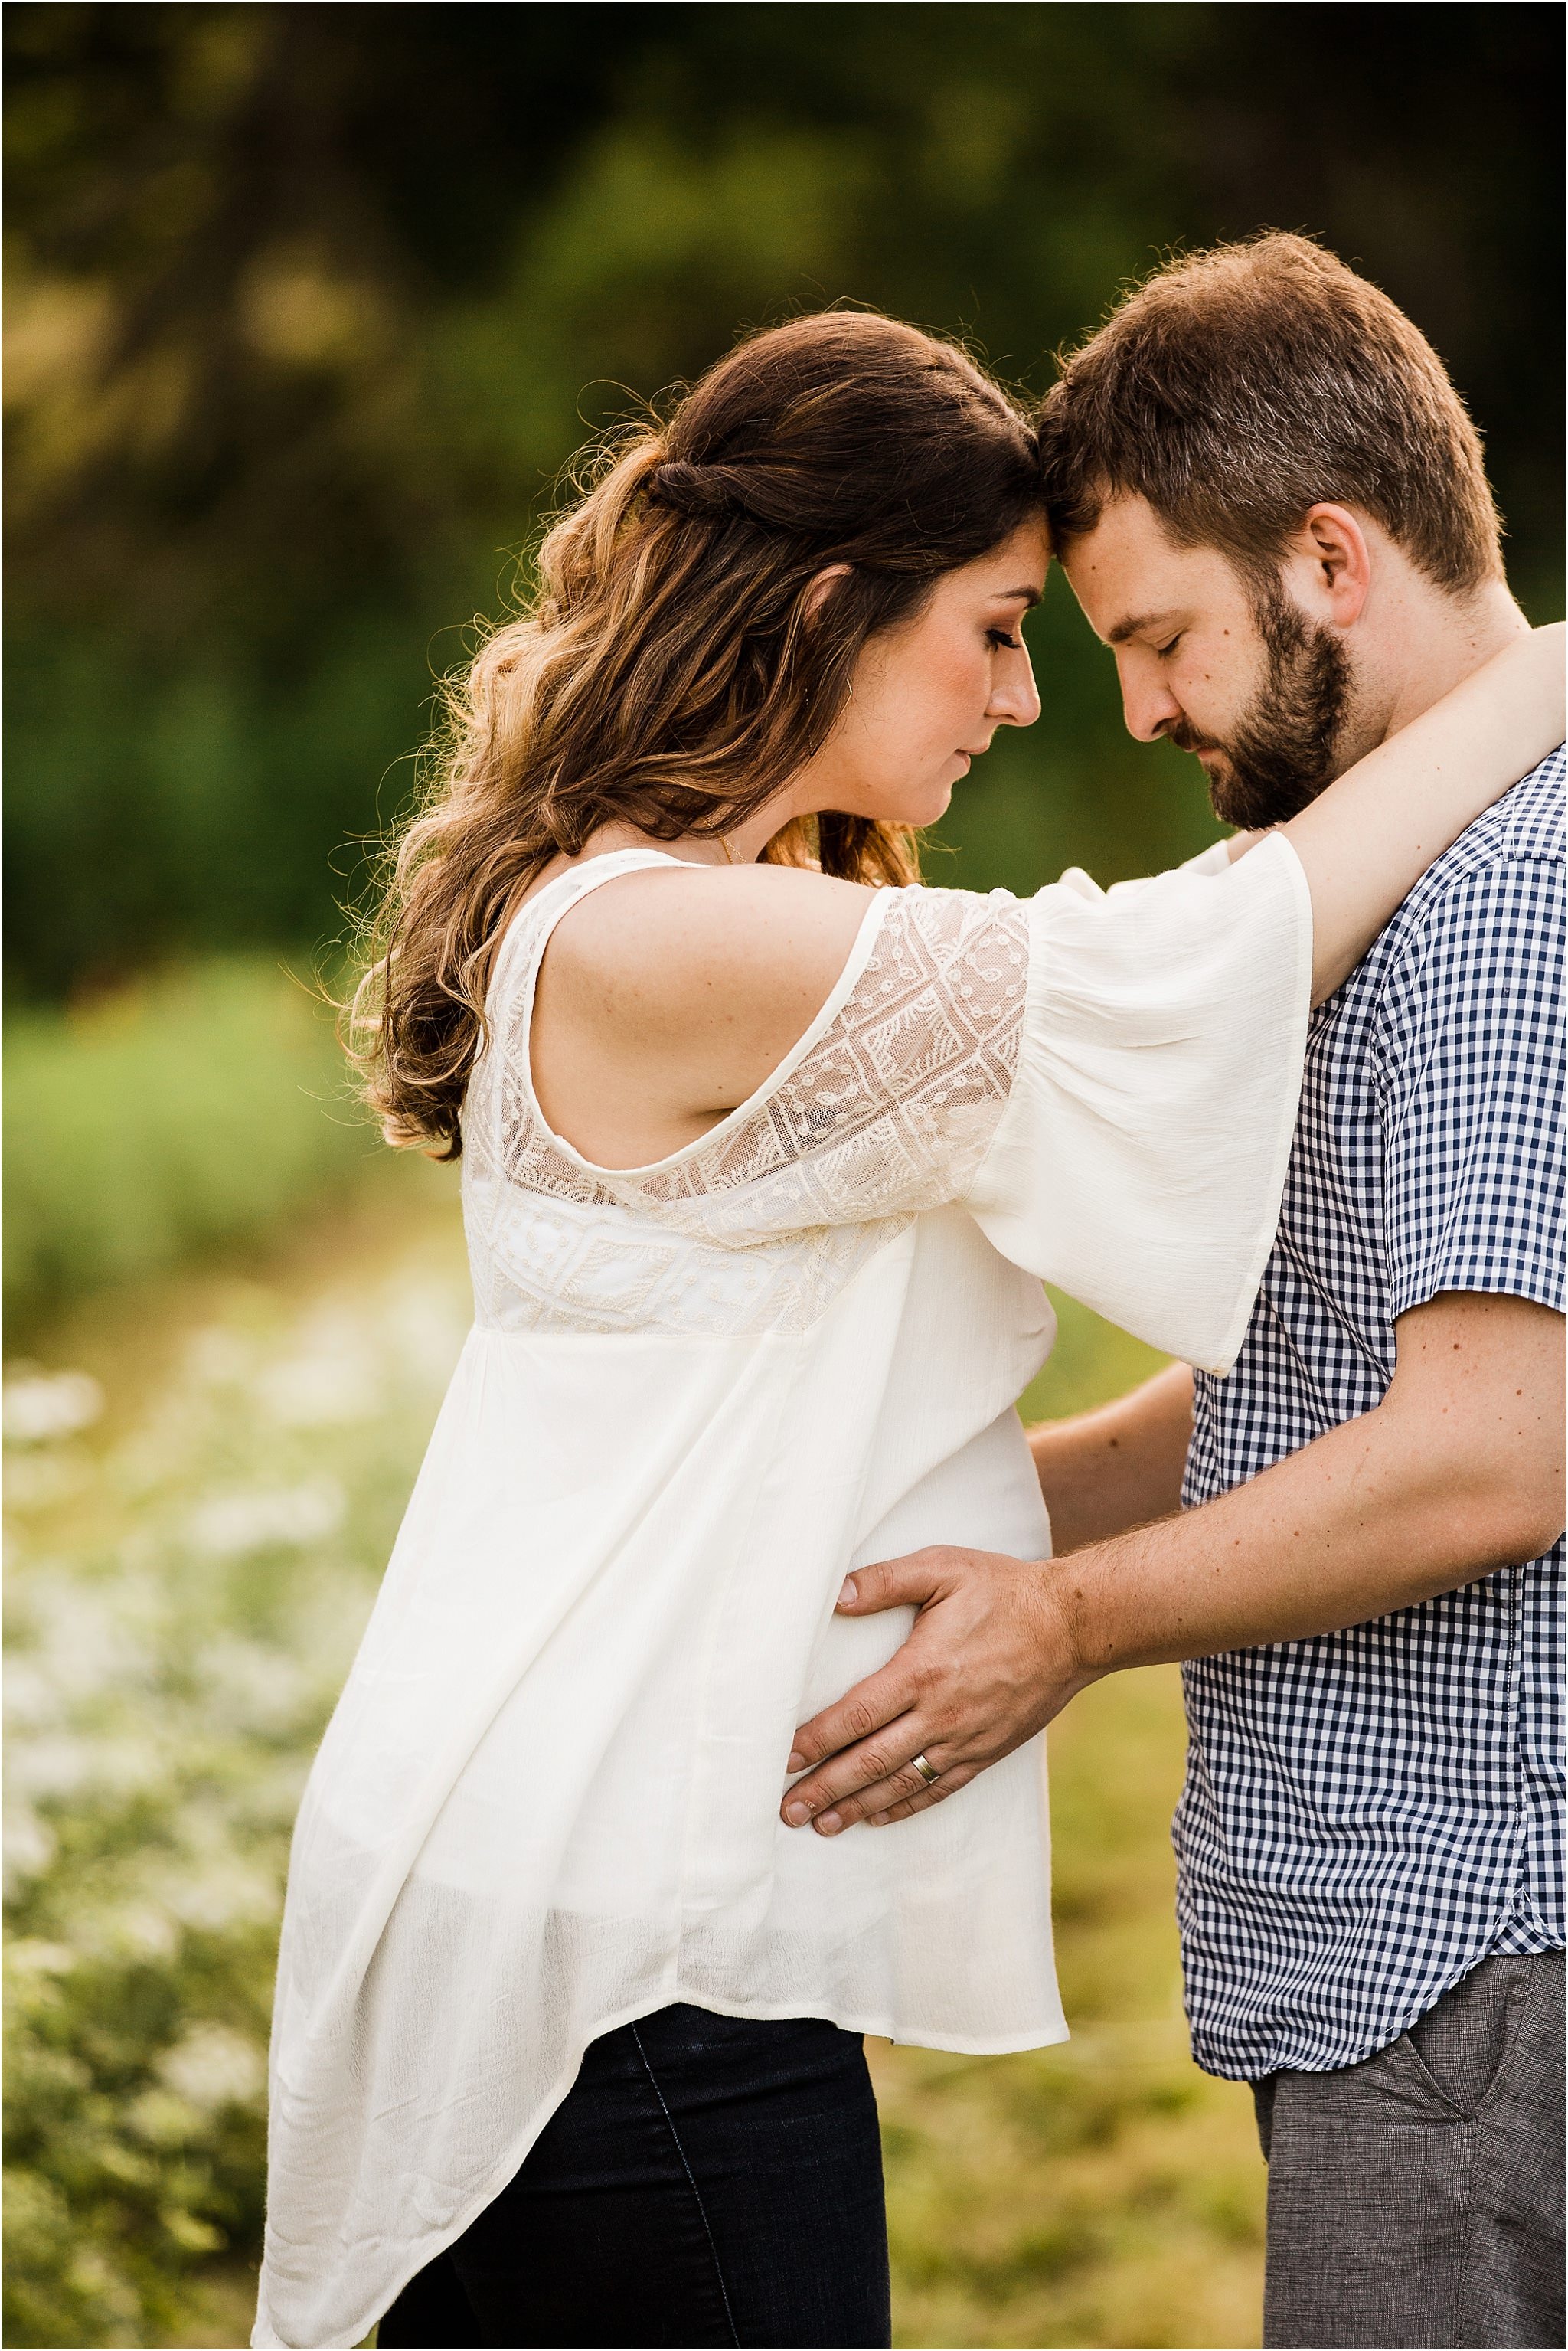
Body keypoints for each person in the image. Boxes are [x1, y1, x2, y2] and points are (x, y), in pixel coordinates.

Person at [251, 308, 1563, 2351]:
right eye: (999, 628)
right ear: (839, 612)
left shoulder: (677, 915)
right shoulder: (659, 935)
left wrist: (1051, 1562)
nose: (1034, 703)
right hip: (614, 1935)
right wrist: (1538, 675)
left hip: (621, 1900)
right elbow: (1176, 976)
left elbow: (844, 1411)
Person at [779, 241, 1566, 2351]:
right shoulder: (1417, 873)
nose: (1132, 709)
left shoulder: (1507, 905)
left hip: (1479, 1965)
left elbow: (1496, 1453)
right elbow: (1311, 1384)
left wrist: (1066, 1625)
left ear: (1329, 556)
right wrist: (902, 1524)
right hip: (1438, 1973)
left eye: (1157, 640)